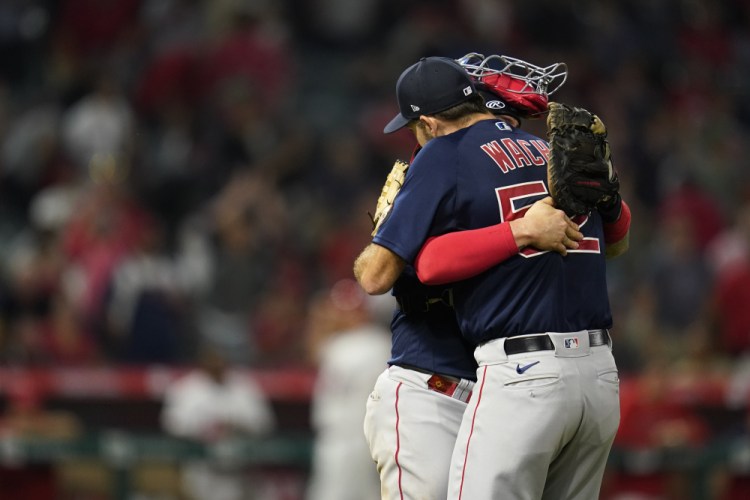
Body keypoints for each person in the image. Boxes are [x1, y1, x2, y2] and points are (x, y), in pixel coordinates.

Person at [355, 56, 631, 499]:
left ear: (427, 122)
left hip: (517, 371)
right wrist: (614, 202)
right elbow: (618, 242)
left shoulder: (443, 154)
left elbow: (391, 273)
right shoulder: (551, 156)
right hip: (593, 374)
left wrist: (516, 230)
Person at [304, 278, 391, 500]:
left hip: (347, 437)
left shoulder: (348, 344)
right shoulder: (383, 343)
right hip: (363, 438)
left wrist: (318, 316)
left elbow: (313, 349)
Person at [161, 344, 276, 500]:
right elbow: (171, 424)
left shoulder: (243, 385)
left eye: (220, 360)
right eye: (212, 360)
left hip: (239, 470)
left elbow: (264, 423)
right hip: (201, 469)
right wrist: (202, 428)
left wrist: (236, 425)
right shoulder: (187, 388)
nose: (217, 364)